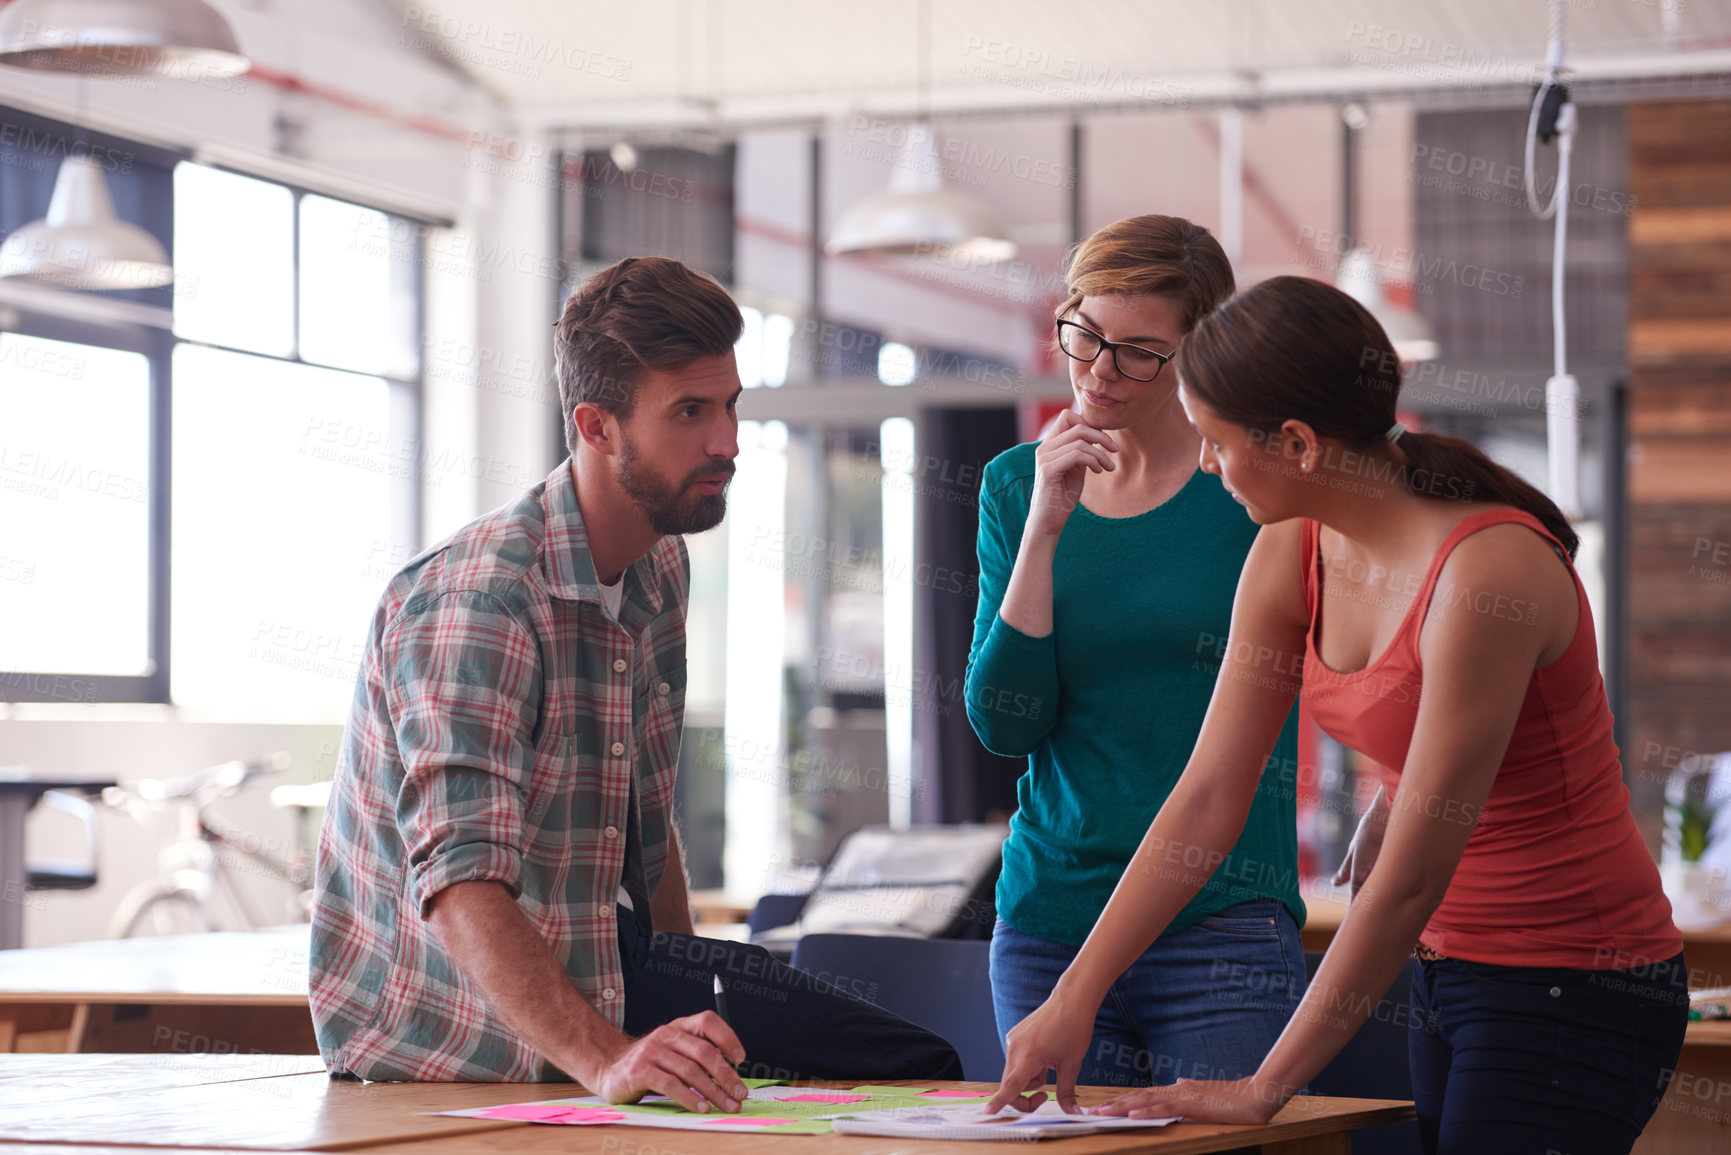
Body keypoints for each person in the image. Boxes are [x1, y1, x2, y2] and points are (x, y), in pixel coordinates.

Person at [988, 276, 1688, 1155]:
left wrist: (1262, 1088)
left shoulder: (1485, 573)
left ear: (1296, 443)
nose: (1206, 464)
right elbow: (1207, 793)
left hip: (1576, 975)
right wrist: (1073, 993)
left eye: (1215, 440)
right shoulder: (1295, 543)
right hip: (1446, 969)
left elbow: (1402, 884)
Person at [311, 256, 960, 1101]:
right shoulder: (482, 600)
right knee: (914, 1071)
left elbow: (646, 832)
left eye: (729, 405)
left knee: (921, 1067)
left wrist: (697, 1010)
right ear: (598, 425)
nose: (725, 440)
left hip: (602, 960)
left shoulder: (658, 565)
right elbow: (459, 881)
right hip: (444, 1022)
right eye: (689, 411)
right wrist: (608, 1055)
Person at [966, 214, 1306, 1091]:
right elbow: (1006, 723)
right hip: (1049, 918)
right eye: (1084, 333)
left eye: (1140, 351)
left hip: (1222, 921)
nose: (1098, 370)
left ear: (1199, 352)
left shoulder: (1250, 486)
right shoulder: (1014, 483)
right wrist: (1044, 526)